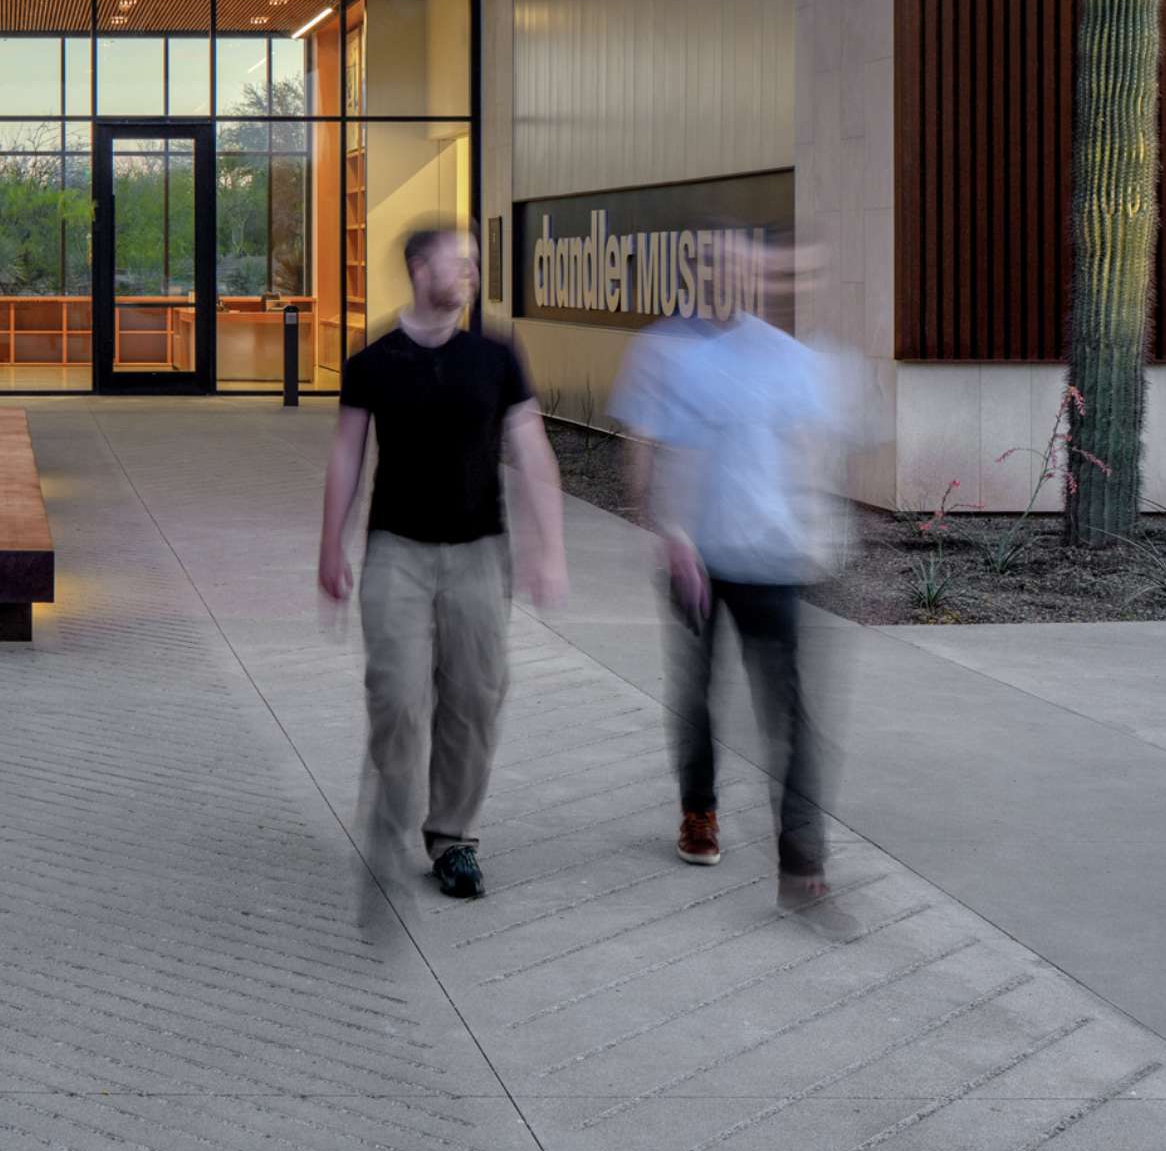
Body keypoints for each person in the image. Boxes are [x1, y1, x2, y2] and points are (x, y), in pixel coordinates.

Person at [318, 219, 569, 901]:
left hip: (481, 553)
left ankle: (454, 839)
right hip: (396, 550)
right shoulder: (373, 362)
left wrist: (552, 547)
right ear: (418, 270)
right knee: (396, 694)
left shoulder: (496, 354)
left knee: (473, 699)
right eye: (457, 262)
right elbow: (347, 454)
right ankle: (394, 809)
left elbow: (532, 446)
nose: (469, 274)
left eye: (474, 264)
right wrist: (328, 547)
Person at [608, 233, 848, 914]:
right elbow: (642, 448)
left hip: (770, 557)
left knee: (788, 710)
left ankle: (802, 860)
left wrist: (813, 527)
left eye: (743, 266)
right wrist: (667, 529)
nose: (732, 277)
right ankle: (699, 811)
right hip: (696, 558)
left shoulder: (782, 355)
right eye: (718, 264)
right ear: (698, 272)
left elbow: (809, 448)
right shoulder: (663, 349)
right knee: (697, 695)